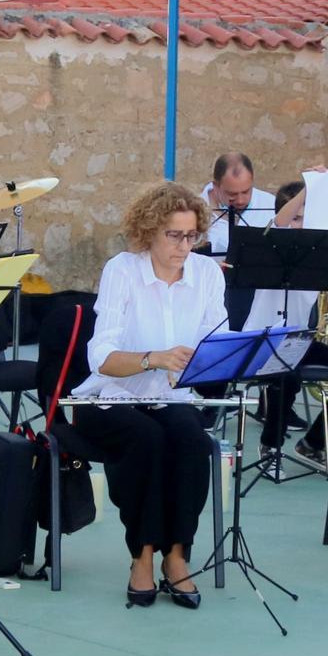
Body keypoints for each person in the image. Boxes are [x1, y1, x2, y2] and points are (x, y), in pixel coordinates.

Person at [75, 182, 230, 608]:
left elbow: (216, 340)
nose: (185, 246)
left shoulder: (206, 275)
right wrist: (153, 359)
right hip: (109, 396)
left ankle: (177, 555)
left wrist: (208, 361)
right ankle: (141, 554)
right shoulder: (122, 270)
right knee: (146, 441)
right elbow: (100, 357)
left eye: (192, 235)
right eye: (174, 236)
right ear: (149, 233)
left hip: (173, 396)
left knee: (193, 443)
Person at [240, 181, 328, 475]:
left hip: (298, 340)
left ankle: (313, 443)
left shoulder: (319, 254)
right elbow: (281, 222)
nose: (300, 225)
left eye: (306, 219)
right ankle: (270, 447)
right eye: (297, 218)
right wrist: (311, 188)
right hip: (261, 340)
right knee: (286, 377)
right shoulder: (270, 247)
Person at [202, 152, 274, 254]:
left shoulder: (271, 204)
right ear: (216, 186)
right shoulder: (194, 211)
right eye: (232, 194)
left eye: (246, 192)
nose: (240, 200)